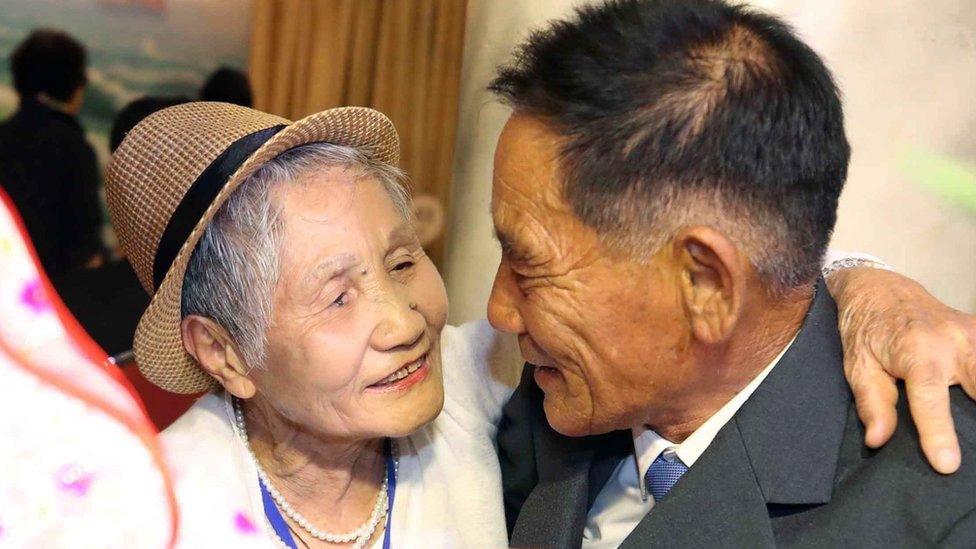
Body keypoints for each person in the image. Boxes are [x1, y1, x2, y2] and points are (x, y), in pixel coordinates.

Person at [105, 103, 975, 547]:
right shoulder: (143, 516)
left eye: (404, 260)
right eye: (337, 297)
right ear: (222, 351)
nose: (404, 321)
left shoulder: (467, 389)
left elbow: (654, 298)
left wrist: (861, 282)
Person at [488, 1, 976, 547]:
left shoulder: (936, 517)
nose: (499, 311)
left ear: (707, 286)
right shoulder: (558, 391)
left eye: (530, 267)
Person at [0, 29, 104, 280]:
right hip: (52, 290)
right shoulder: (74, 148)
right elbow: (84, 246)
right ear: (74, 84)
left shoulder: (4, 135)